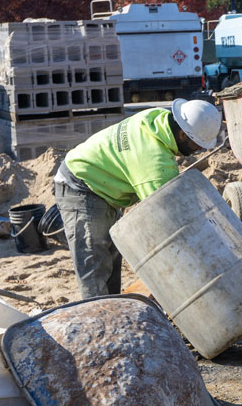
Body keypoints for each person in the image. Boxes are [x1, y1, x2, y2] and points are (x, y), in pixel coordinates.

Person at [53, 99, 222, 299]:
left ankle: (113, 310)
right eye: (198, 144)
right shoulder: (155, 163)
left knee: (111, 256)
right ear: (183, 134)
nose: (200, 150)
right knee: (94, 263)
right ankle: (99, 321)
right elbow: (169, 219)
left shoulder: (155, 119)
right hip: (81, 185)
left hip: (103, 184)